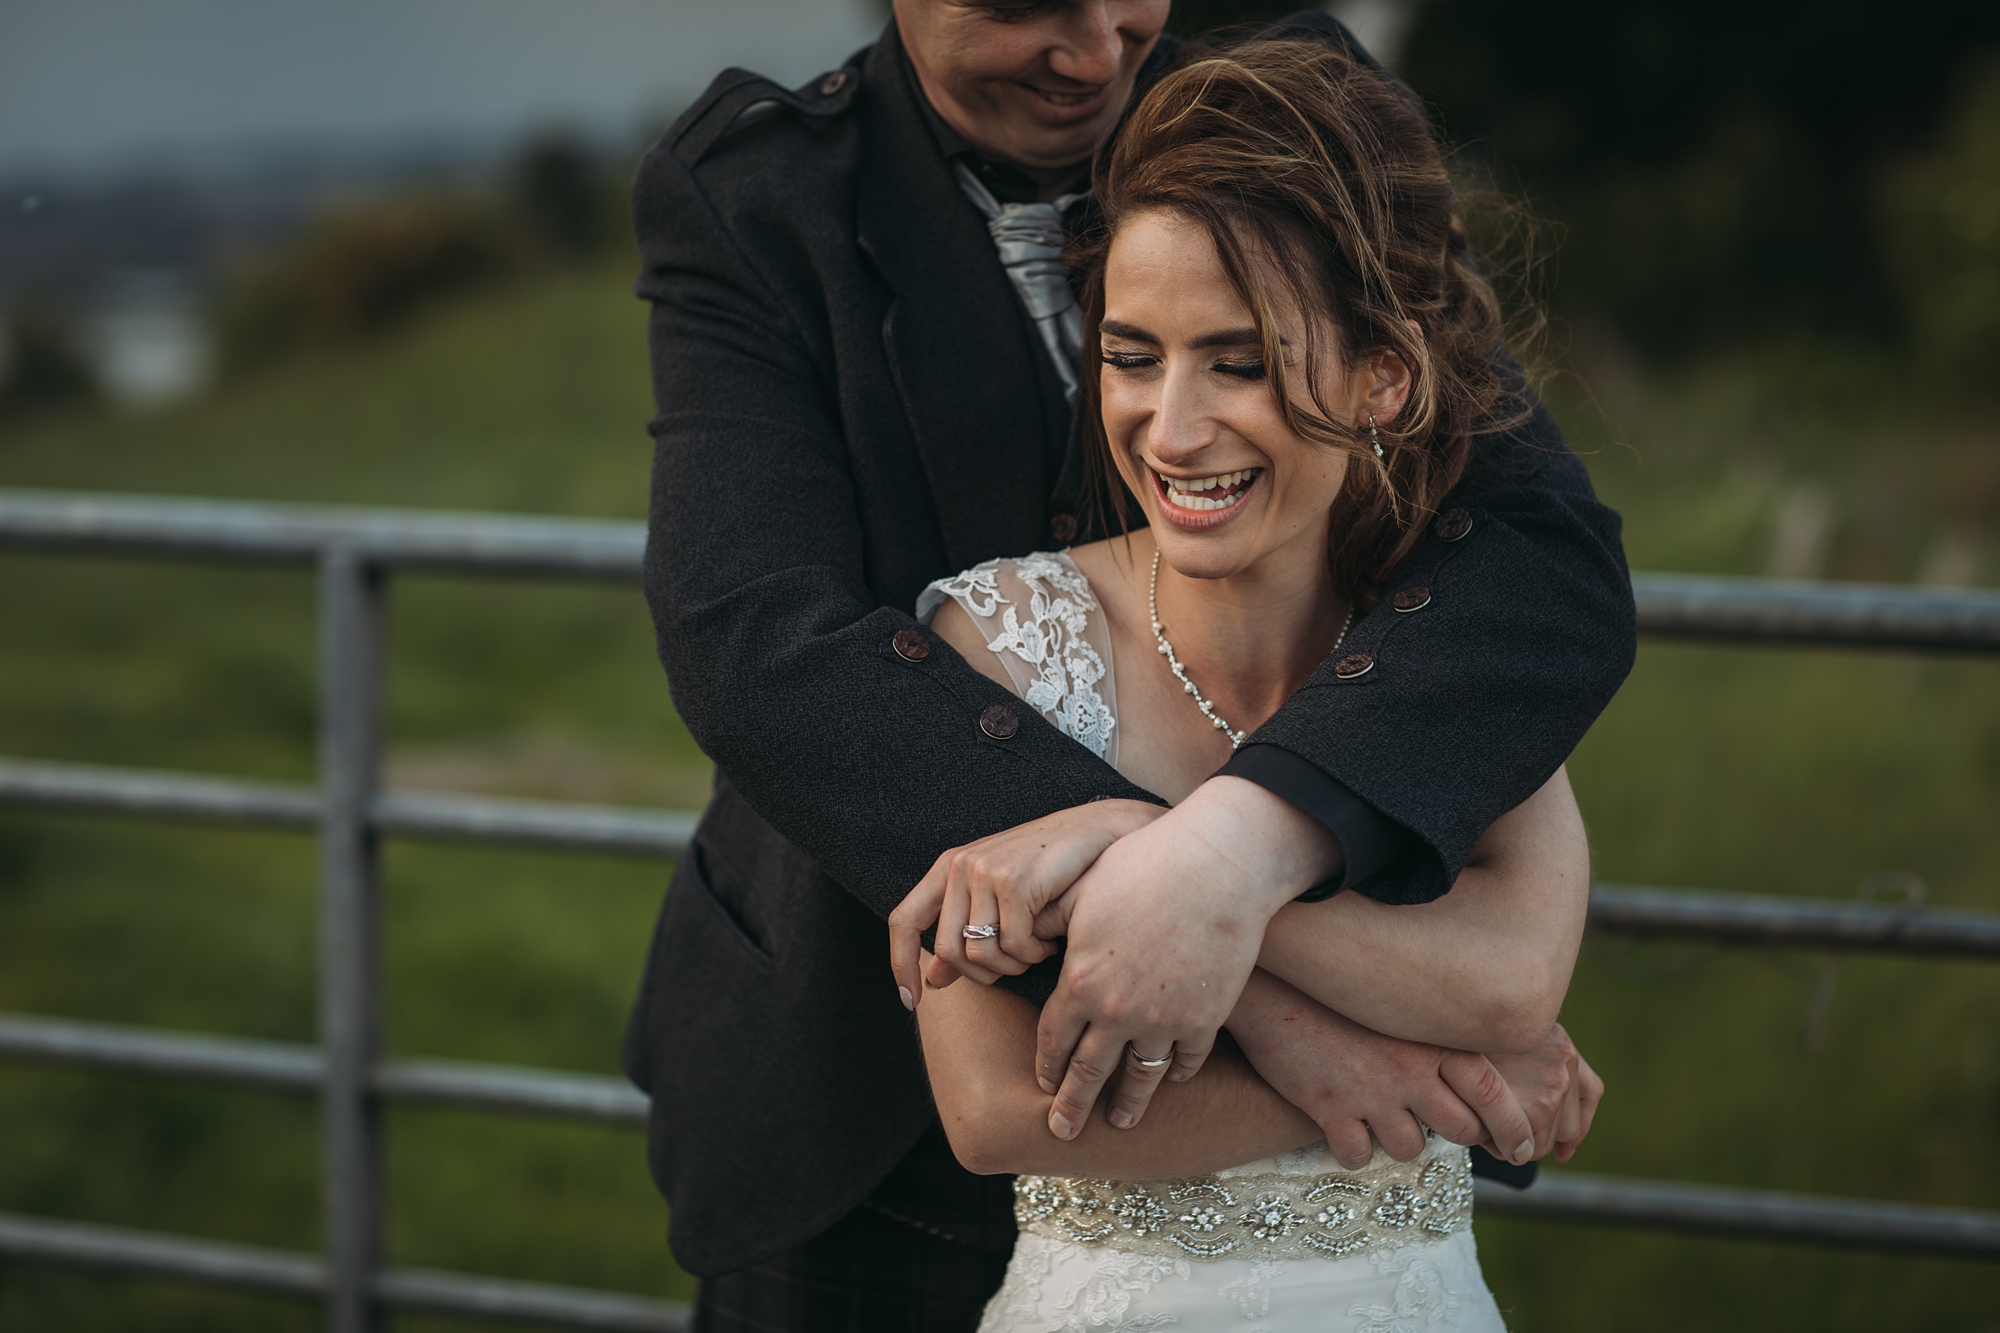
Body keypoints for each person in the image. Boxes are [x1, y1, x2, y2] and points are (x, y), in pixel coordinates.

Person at [624, 2, 1633, 1327]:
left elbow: (1537, 544)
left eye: (1128, 1)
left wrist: (1238, 856)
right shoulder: (759, 195)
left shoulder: (1288, 93)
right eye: (1025, 6)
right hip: (864, 1110)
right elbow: (759, 642)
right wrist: (1265, 981)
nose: (1097, 53)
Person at [898, 39, 1594, 1328]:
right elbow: (994, 1109)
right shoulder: (1003, 638)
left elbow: (1510, 983)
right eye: (1131, 355)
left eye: (1241, 361)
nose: (1168, 429)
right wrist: (1415, 1072)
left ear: (1384, 375)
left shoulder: (1446, 641)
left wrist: (1143, 860)